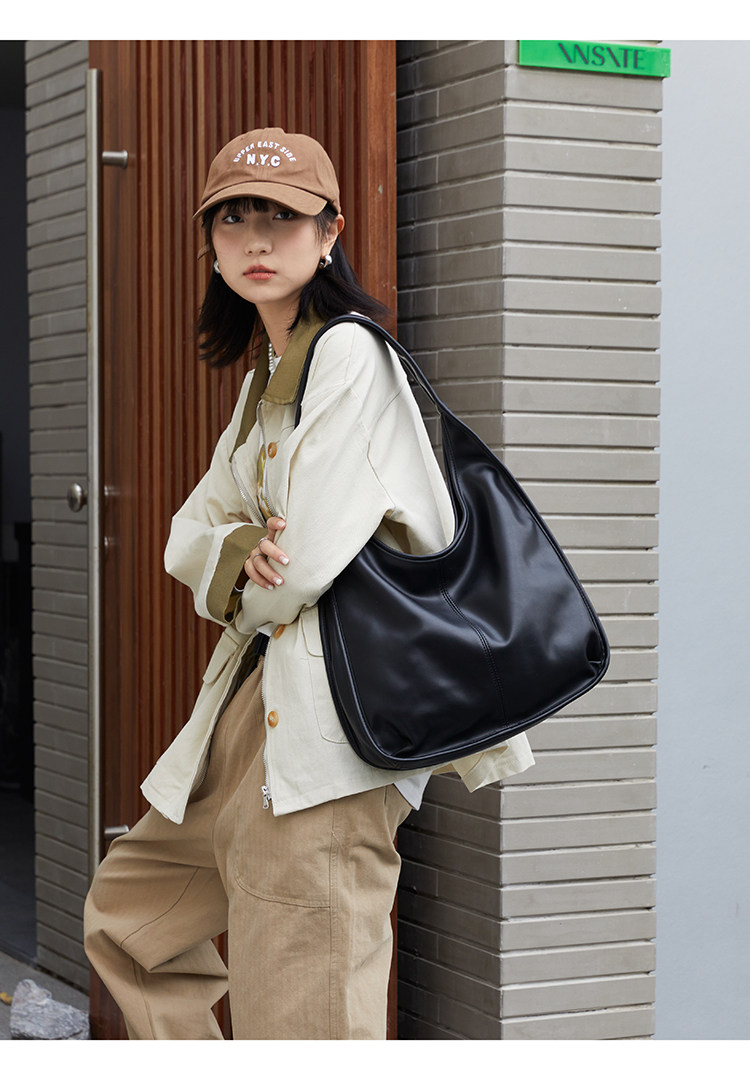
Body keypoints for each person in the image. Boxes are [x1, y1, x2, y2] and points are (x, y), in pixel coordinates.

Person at [83, 127, 534, 1040]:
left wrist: (241, 557)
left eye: (282, 219)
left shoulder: (350, 358)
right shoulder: (268, 378)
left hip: (333, 726)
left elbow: (300, 569)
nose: (255, 241)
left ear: (329, 235)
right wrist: (236, 546)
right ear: (210, 242)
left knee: (302, 1016)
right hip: (254, 706)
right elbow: (187, 535)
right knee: (130, 921)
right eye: (233, 219)